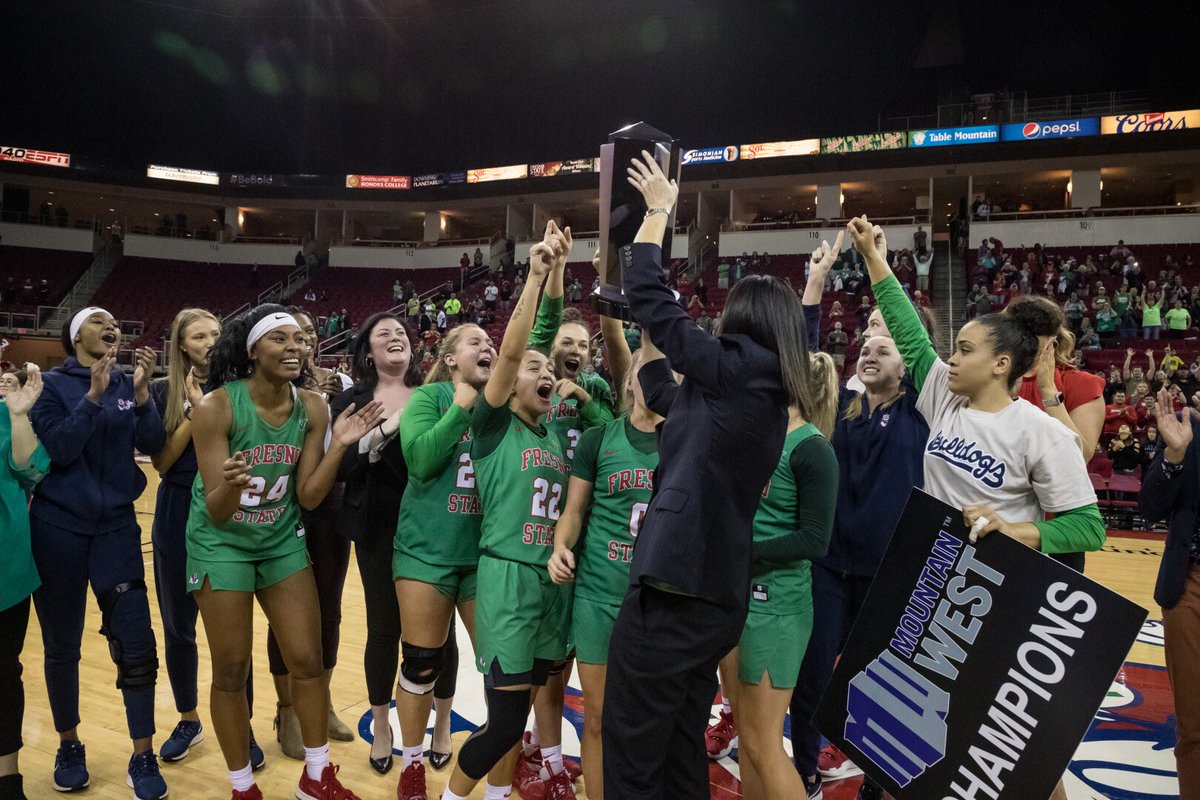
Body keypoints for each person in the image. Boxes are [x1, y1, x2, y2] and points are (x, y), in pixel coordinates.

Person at [852, 216, 1104, 800]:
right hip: (933, 578)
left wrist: (1025, 532)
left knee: (1008, 750)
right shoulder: (944, 395)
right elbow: (911, 335)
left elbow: (1089, 526)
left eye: (965, 349)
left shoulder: (1043, 433)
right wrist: (874, 258)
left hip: (995, 596)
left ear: (999, 365)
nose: (951, 358)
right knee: (904, 735)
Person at [602, 152, 811, 797]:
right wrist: (641, 335)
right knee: (676, 741)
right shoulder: (752, 389)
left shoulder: (741, 367)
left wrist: (659, 212)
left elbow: (655, 300)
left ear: (747, 319)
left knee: (633, 746)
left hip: (678, 588)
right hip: (710, 596)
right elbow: (665, 392)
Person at [187, 304, 382, 800]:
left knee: (307, 660)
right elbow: (217, 511)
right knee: (231, 669)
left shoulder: (314, 407)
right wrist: (231, 485)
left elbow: (309, 497)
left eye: (300, 340)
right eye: (281, 340)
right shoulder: (216, 407)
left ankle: (317, 777)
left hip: (279, 539)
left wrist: (339, 445)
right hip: (222, 542)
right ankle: (242, 786)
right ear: (253, 350)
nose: (295, 348)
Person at [439, 234, 572, 800]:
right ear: (507, 380)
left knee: (526, 717)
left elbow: (542, 344)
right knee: (503, 724)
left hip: (554, 584)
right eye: (530, 367)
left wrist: (560, 274)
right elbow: (518, 349)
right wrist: (535, 279)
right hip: (508, 578)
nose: (543, 372)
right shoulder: (493, 427)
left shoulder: (560, 432)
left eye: (549, 368)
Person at [28, 308, 169, 798]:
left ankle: (142, 754)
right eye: (99, 321)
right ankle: (69, 743)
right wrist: (91, 398)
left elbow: (153, 446)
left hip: (116, 529)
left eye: (116, 322)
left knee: (136, 642)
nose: (113, 326)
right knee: (61, 645)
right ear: (75, 335)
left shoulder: (130, 382)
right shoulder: (48, 385)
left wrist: (147, 397)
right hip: (57, 529)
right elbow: (60, 451)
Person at [716, 352, 839, 800]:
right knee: (748, 738)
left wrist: (742, 552)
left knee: (764, 743)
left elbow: (814, 539)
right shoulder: (761, 435)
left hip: (779, 607)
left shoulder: (812, 448)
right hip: (739, 596)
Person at [149, 309, 266, 768]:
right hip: (177, 504)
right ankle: (189, 718)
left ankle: (245, 726)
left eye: (216, 333)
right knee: (179, 625)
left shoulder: (240, 391)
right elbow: (160, 462)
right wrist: (194, 414)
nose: (210, 341)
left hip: (228, 507)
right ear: (181, 346)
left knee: (234, 634)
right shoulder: (163, 391)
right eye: (199, 335)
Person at [547, 347, 660, 800]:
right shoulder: (599, 439)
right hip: (598, 594)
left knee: (648, 719)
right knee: (596, 716)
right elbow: (573, 511)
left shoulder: (686, 440)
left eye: (664, 374)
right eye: (643, 373)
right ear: (629, 382)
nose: (651, 383)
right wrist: (559, 546)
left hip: (657, 600)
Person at [392, 322, 497, 798]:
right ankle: (411, 766)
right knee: (420, 665)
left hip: (485, 557)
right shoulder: (428, 399)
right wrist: (459, 408)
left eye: (490, 342)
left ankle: (504, 760)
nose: (488, 346)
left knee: (503, 668)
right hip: (425, 556)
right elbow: (420, 461)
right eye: (476, 341)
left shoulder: (502, 409)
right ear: (451, 359)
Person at [266, 309, 356, 760]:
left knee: (329, 611)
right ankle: (288, 710)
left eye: (306, 335)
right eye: (290, 336)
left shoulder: (337, 383)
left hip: (331, 504)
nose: (301, 343)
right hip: (286, 505)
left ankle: (322, 701)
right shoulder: (272, 385)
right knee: (287, 613)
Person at [1139, 390, 1200, 797]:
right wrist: (1174, 457)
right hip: (1191, 581)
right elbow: (1150, 507)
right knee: (1193, 726)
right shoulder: (1185, 427)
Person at [0, 364, 49, 800]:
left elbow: (33, 470)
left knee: (3, 673)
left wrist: (18, 416)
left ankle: (7, 778)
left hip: (6, 570)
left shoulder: (6, 413)